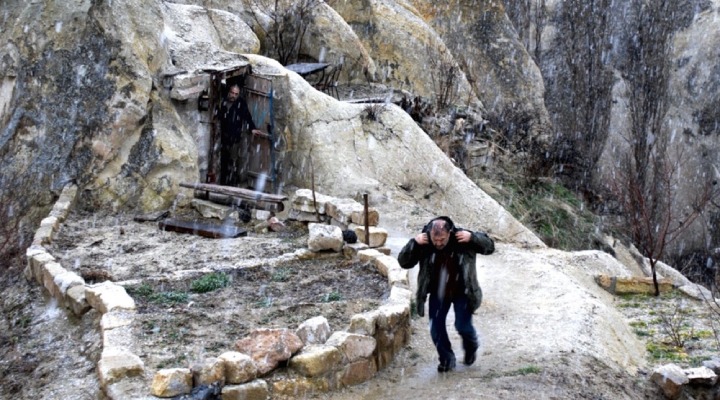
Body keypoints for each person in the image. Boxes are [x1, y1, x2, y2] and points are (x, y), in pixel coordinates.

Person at [398, 216, 494, 372]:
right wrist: (414, 243)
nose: (438, 243)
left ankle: (471, 346)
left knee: (462, 326)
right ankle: (447, 359)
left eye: (442, 239)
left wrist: (474, 238)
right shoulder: (424, 242)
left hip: (463, 290)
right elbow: (403, 262)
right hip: (438, 292)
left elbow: (490, 247)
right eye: (435, 240)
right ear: (429, 233)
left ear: (450, 233)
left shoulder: (463, 238)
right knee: (435, 328)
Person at [218, 84, 261, 185]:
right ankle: (222, 181)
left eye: (236, 94)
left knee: (232, 161)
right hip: (222, 137)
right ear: (229, 92)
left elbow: (247, 116)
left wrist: (252, 128)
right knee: (222, 160)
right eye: (232, 93)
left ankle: (231, 183)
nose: (233, 95)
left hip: (234, 137)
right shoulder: (222, 101)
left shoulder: (240, 103)